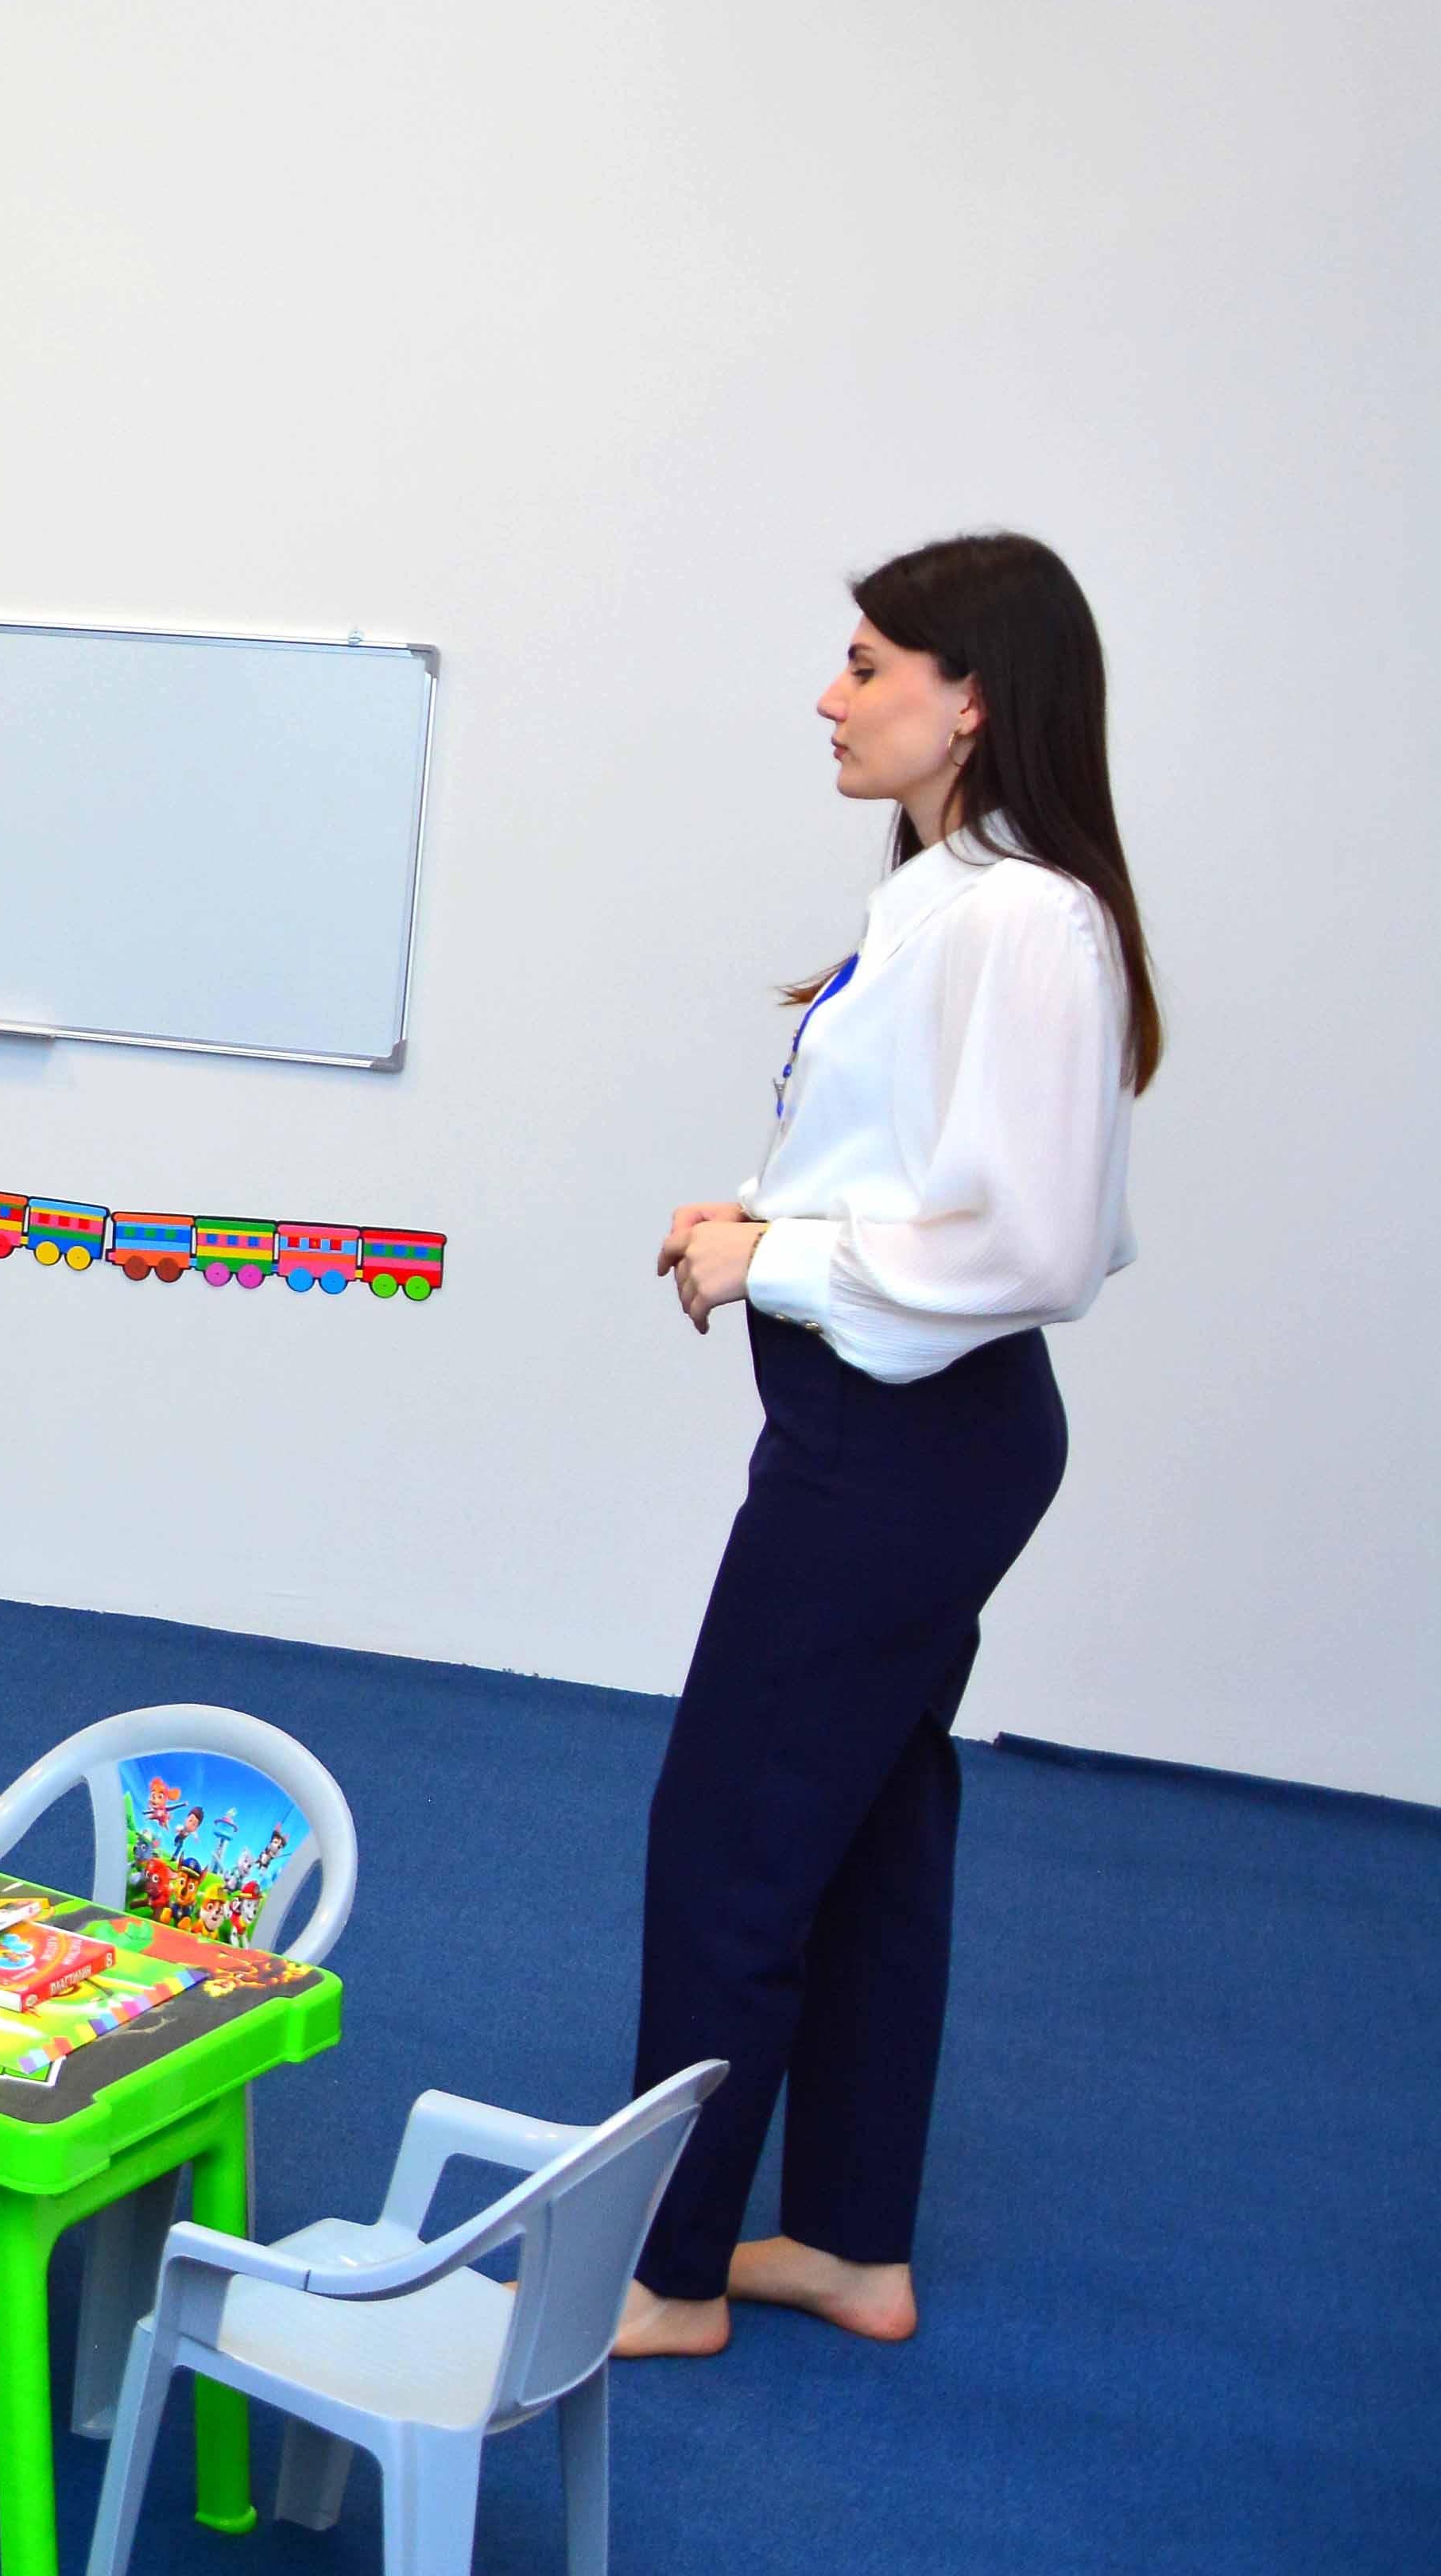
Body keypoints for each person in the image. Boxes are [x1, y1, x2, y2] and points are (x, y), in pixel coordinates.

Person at [614, 533, 1159, 2365]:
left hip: (908, 1440)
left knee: (732, 1833)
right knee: (859, 1826)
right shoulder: (953, 896)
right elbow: (920, 1178)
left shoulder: (1025, 918)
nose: (830, 699)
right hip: (900, 1430)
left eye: (867, 665)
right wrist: (766, 1215)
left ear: (972, 696)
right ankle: (849, 2242)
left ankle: (666, 2271)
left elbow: (1040, 1246)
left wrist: (776, 1259)